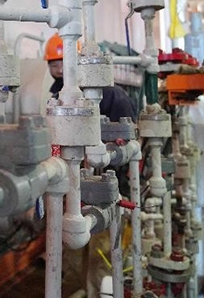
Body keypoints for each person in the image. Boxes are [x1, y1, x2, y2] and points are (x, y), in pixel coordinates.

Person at [44, 32, 137, 298]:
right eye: (53, 63)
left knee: (102, 254)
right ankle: (81, 290)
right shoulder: (58, 96)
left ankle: (99, 292)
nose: (59, 68)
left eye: (63, 62)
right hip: (72, 185)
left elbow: (128, 143)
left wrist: (107, 161)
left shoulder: (114, 96)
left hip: (108, 185)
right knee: (72, 248)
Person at [44, 33, 137, 122]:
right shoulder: (56, 95)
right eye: (54, 66)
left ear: (79, 62)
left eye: (64, 64)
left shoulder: (113, 95)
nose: (60, 70)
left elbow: (126, 129)